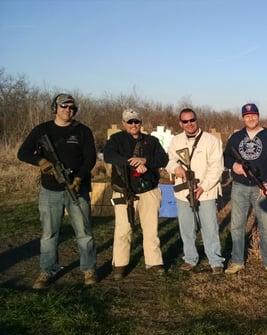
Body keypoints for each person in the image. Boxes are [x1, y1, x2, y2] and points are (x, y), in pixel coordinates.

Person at [17, 93, 97, 288]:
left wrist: (78, 178)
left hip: (77, 189)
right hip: (50, 190)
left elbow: (90, 159)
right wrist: (41, 161)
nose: (68, 110)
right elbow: (23, 152)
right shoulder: (42, 130)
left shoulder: (82, 131)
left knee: (84, 233)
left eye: (72, 108)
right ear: (55, 108)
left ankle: (88, 269)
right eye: (64, 107)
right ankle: (47, 270)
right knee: (49, 234)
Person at [104, 108, 168, 280]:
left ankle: (154, 262)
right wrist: (132, 162)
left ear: (141, 123)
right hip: (123, 191)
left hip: (148, 190)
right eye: (130, 122)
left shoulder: (151, 141)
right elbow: (109, 156)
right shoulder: (115, 140)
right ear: (124, 123)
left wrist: (145, 161)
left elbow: (163, 159)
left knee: (150, 229)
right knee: (123, 229)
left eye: (136, 121)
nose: (133, 125)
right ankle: (120, 264)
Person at [223, 103, 267, 278]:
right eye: (247, 116)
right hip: (239, 187)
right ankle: (237, 261)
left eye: (253, 115)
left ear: (258, 116)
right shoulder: (236, 137)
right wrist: (234, 165)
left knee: (266, 226)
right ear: (243, 118)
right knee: (237, 225)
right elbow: (226, 157)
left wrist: (266, 183)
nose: (251, 118)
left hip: (261, 188)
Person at [166, 108, 225, 274]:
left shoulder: (211, 140)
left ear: (196, 120)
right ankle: (190, 259)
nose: (189, 124)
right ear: (180, 123)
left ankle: (215, 261)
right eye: (185, 121)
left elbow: (216, 167)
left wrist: (203, 186)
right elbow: (169, 160)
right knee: (187, 228)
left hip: (206, 192)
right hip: (183, 193)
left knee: (210, 228)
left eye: (192, 120)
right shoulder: (176, 141)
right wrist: (175, 168)